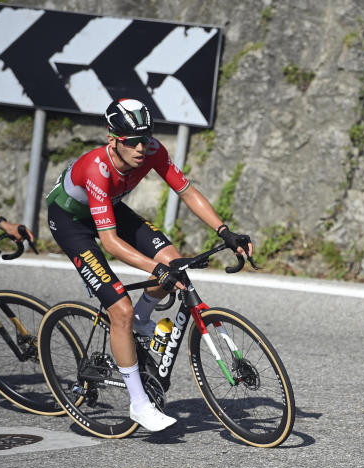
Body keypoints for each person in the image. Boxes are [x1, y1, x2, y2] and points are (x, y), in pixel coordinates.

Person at [46, 98, 253, 432]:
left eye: (146, 138)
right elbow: (111, 243)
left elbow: (186, 192)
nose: (142, 147)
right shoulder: (95, 168)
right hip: (72, 223)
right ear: (113, 140)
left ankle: (143, 318)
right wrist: (155, 270)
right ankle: (139, 404)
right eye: (132, 142)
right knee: (121, 309)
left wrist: (225, 231)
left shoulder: (152, 150)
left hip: (110, 209)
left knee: (175, 264)